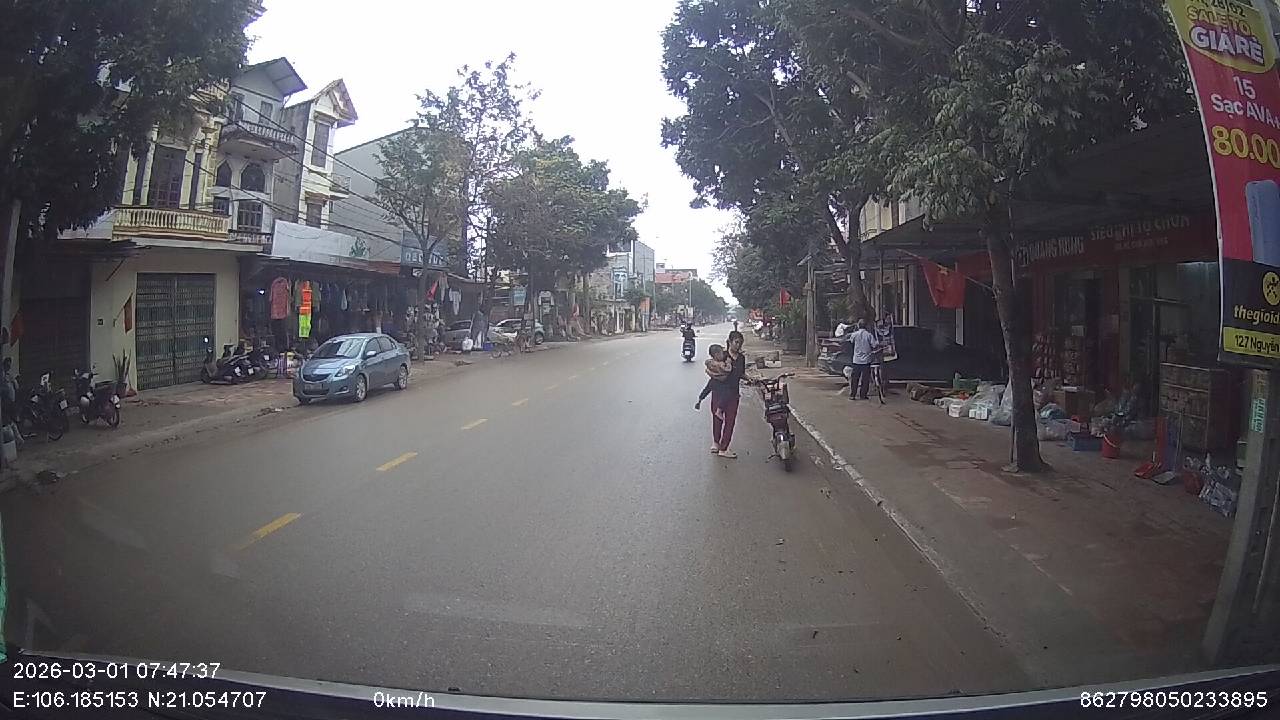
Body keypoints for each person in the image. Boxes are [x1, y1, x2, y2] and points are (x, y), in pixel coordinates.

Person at [710, 330, 748, 458]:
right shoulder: (722, 356)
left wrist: (750, 379)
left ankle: (724, 447)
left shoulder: (741, 358)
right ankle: (716, 442)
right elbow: (712, 368)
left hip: (733, 393)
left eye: (740, 343)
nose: (738, 345)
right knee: (717, 418)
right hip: (719, 392)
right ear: (730, 342)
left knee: (730, 421)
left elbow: (741, 373)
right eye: (736, 342)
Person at [847, 319, 878, 400]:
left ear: (858, 326)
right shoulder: (869, 335)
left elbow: (851, 341)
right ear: (866, 326)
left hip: (856, 360)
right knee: (865, 379)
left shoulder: (854, 334)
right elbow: (874, 345)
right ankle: (863, 395)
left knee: (855, 379)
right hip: (866, 361)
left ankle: (853, 395)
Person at [694, 344, 730, 410]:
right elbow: (728, 370)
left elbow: (707, 388)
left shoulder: (710, 363)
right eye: (722, 353)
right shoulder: (720, 364)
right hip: (722, 386)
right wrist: (728, 363)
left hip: (714, 384)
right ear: (717, 355)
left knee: (708, 388)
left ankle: (700, 399)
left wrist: (700, 399)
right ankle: (720, 409)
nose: (723, 355)